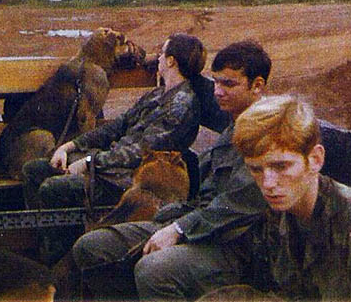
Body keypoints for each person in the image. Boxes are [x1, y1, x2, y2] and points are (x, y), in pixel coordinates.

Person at [73, 40, 272, 301]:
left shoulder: (268, 135)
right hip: (201, 228)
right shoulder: (233, 128)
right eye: (216, 82)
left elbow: (236, 204)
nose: (218, 92)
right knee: (91, 247)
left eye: (229, 84)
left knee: (153, 270)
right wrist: (171, 218)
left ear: (257, 86)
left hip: (235, 248)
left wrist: (178, 229)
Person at [22, 33, 230, 263]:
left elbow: (141, 151)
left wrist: (90, 163)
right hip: (111, 167)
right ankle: (46, 249)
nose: (158, 58)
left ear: (171, 61)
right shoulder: (158, 94)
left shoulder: (182, 104)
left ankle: (62, 261)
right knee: (34, 170)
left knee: (54, 188)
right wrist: (70, 147)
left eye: (162, 53)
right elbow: (118, 126)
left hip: (131, 177)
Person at [231, 94, 351, 300]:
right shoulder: (282, 213)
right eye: (256, 169)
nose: (268, 183)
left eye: (281, 166)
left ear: (315, 160)